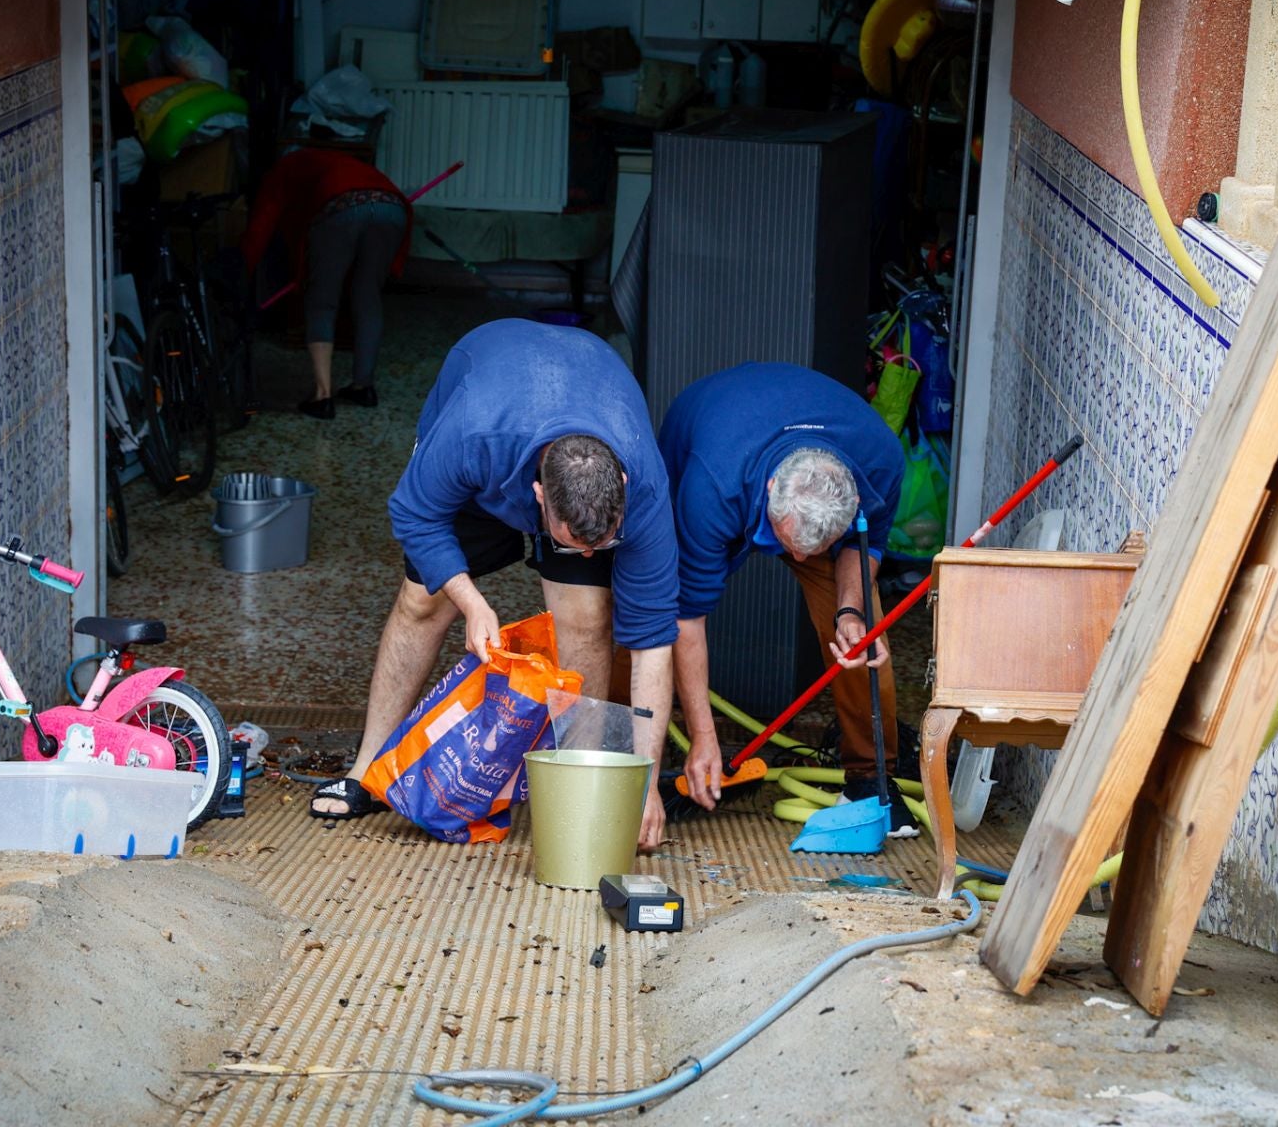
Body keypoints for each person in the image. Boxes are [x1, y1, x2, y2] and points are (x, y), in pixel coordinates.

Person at [309, 319, 681, 849]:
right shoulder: (472, 433)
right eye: (575, 544)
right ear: (537, 497)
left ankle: (583, 780)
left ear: (622, 487)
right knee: (423, 600)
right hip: (491, 422)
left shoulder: (642, 483)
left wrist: (643, 782)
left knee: (587, 617)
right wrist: (471, 602)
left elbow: (652, 645)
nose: (593, 557)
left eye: (603, 544)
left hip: (585, 405)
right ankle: (366, 770)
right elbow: (414, 514)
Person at [655, 362, 914, 836]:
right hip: (714, 450)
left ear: (854, 505)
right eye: (789, 543)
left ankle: (872, 776)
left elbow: (866, 546)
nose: (796, 558)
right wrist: (704, 738)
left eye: (810, 552)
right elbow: (686, 619)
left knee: (865, 635)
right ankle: (621, 758)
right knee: (647, 611)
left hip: (797, 489)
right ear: (772, 489)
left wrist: (850, 611)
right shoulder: (711, 486)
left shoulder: (881, 460)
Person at [240, 147, 412, 419]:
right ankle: (363, 387)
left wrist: (242, 270)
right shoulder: (339, 160)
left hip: (341, 207)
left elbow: (263, 222)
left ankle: (322, 396)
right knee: (368, 296)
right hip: (392, 207)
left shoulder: (283, 169)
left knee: (322, 301)